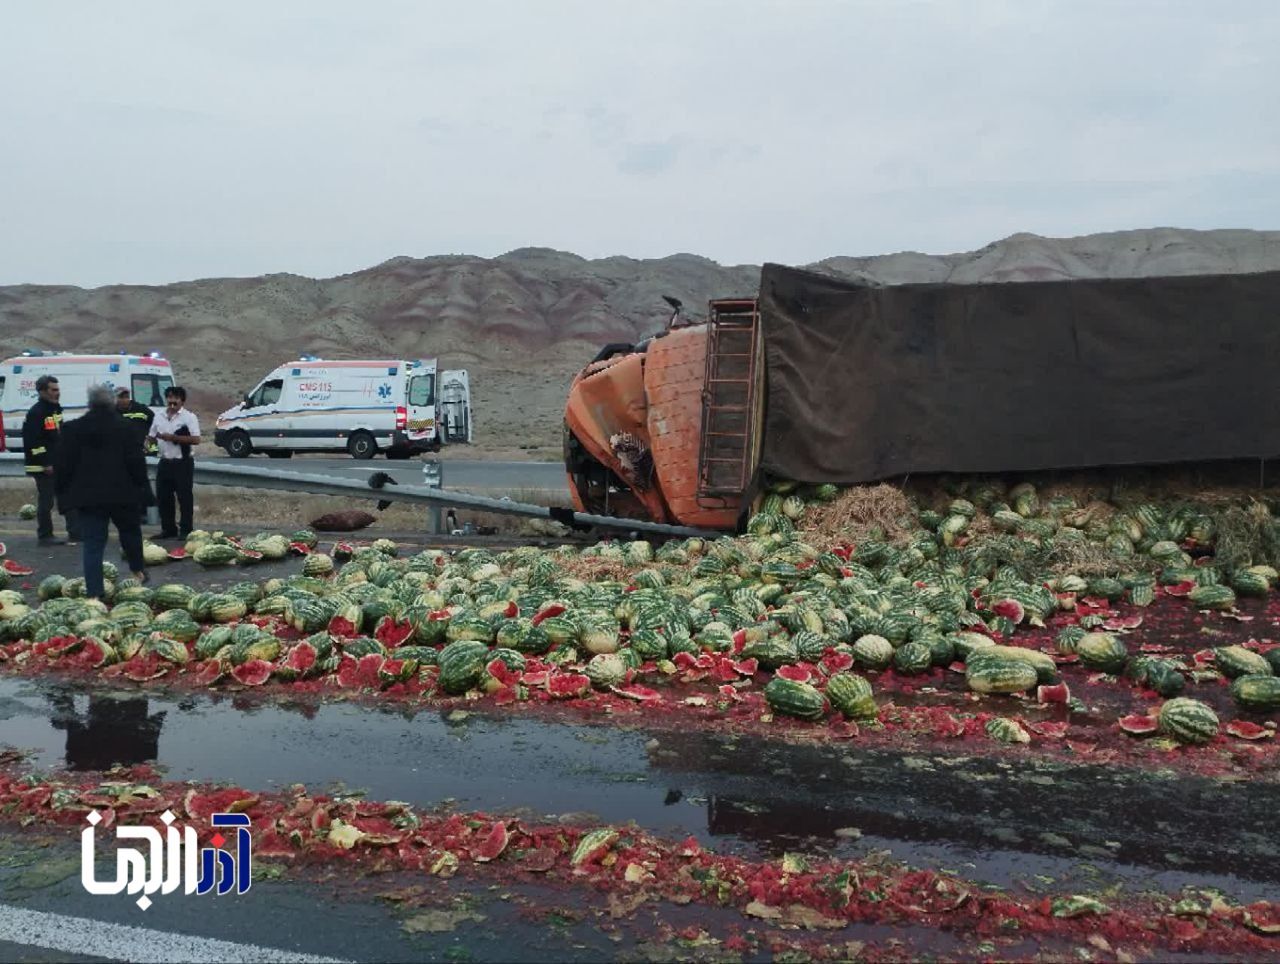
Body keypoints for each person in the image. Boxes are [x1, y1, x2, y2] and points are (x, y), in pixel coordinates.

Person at [54, 383, 148, 599]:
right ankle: (138, 572)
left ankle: (95, 594)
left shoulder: (72, 429)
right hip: (123, 494)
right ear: (112, 402)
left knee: (93, 544)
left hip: (89, 497)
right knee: (131, 534)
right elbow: (136, 462)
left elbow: (63, 464)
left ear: (89, 403)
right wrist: (142, 487)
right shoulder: (126, 427)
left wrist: (62, 492)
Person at [22, 374, 80, 545]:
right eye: (53, 390)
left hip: (58, 462)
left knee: (68, 495)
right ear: (42, 392)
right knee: (46, 500)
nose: (57, 393)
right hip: (42, 466)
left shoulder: (55, 410)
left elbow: (57, 437)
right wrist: (45, 462)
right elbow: (33, 441)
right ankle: (45, 535)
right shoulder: (36, 413)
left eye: (58, 389)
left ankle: (76, 532)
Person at [148, 385, 201, 539]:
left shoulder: (189, 417)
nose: (172, 401)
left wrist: (174, 438)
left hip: (182, 462)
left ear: (181, 401)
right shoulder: (159, 416)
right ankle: (168, 528)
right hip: (165, 461)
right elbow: (151, 435)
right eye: (170, 398)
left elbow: (196, 439)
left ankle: (185, 529)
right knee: (164, 497)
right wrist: (146, 444)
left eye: (175, 398)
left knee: (184, 497)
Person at [115, 385, 156, 526]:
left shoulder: (142, 410)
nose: (124, 400)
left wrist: (150, 445)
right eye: (121, 397)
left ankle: (144, 513)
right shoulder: (112, 413)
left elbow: (156, 426)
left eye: (126, 396)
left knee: (142, 485)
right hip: (121, 457)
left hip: (142, 454)